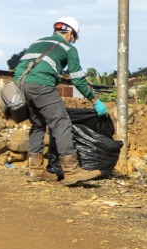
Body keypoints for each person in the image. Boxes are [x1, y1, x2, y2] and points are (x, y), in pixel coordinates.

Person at [14, 17, 108, 186]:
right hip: (42, 86)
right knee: (61, 122)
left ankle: (35, 170)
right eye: (74, 37)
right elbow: (78, 79)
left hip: (22, 86)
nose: (73, 40)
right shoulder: (68, 47)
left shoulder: (38, 42)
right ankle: (71, 171)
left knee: (38, 125)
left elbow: (20, 67)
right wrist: (95, 100)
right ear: (70, 33)